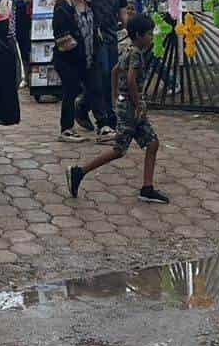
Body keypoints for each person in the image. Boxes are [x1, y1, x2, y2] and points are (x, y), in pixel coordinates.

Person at [65, 13, 169, 204]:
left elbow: (115, 71)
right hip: (131, 108)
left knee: (152, 143)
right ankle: (79, 172)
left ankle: (147, 187)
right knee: (119, 149)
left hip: (126, 105)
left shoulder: (128, 50)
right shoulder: (136, 53)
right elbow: (130, 80)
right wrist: (136, 105)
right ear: (138, 35)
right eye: (149, 33)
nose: (151, 37)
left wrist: (115, 99)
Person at [51, 0, 109, 141]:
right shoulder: (62, 5)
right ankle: (66, 129)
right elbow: (62, 35)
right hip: (69, 59)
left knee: (96, 89)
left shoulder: (88, 3)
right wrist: (78, 53)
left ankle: (103, 126)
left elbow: (94, 27)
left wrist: (95, 48)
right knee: (71, 91)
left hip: (89, 56)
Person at [86, 0, 129, 136]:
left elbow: (122, 10)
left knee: (111, 76)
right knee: (102, 74)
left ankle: (83, 106)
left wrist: (130, 29)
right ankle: (104, 119)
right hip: (95, 36)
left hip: (112, 36)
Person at [11, 0, 38, 86]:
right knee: (23, 46)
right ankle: (26, 76)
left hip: (36, 19)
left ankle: (36, 76)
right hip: (20, 18)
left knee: (35, 46)